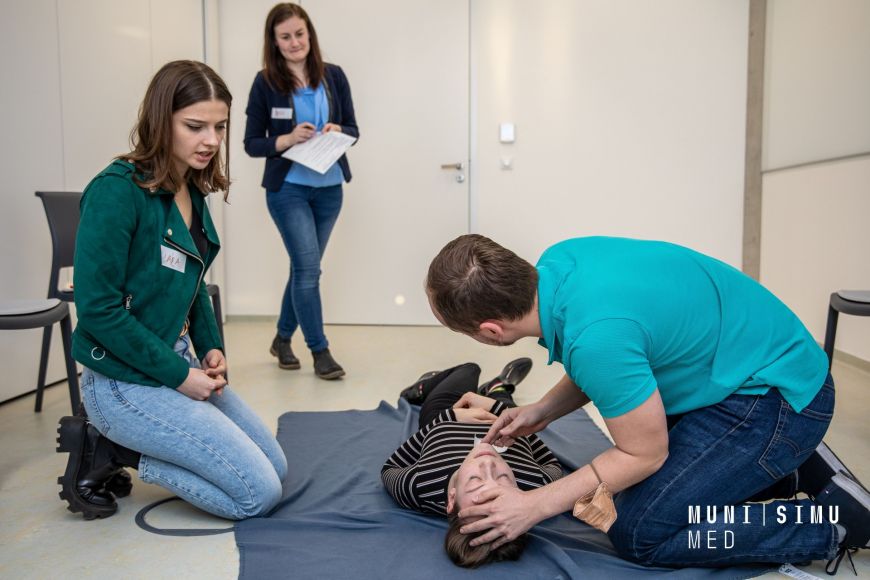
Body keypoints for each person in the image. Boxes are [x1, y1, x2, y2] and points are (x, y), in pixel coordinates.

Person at [425, 234, 869, 573]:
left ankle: (833, 521)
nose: (486, 471)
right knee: (622, 499)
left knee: (639, 534)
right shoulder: (562, 262)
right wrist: (542, 410)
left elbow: (644, 451)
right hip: (762, 365)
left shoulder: (596, 338)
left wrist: (533, 505)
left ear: (490, 332)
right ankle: (786, 469)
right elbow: (613, 355)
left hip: (779, 399)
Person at [56, 60, 287, 522]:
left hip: (174, 359)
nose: (212, 141)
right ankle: (114, 450)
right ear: (162, 121)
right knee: (257, 496)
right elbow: (99, 311)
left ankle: (136, 443)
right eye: (195, 126)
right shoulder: (116, 191)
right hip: (121, 381)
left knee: (277, 468)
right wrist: (181, 377)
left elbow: (193, 282)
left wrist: (210, 347)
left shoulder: (190, 188)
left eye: (220, 127)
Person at [244, 3, 359, 380]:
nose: (294, 42)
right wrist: (287, 138)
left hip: (329, 189)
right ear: (274, 42)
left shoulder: (334, 76)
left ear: (309, 34)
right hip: (288, 189)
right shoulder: (265, 83)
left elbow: (354, 131)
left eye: (299, 34)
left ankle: (281, 338)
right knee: (309, 270)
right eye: (285, 37)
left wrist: (337, 131)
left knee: (303, 269)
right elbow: (251, 144)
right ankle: (320, 351)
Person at [381, 358, 564, 568]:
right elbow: (550, 463)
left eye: (476, 479)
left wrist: (448, 417)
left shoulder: (420, 485)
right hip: (503, 418)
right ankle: (497, 389)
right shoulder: (535, 485)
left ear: (451, 498)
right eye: (503, 477)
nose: (489, 463)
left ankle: (422, 387)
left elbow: (391, 467)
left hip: (446, 416)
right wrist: (503, 415)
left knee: (469, 369)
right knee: (506, 402)